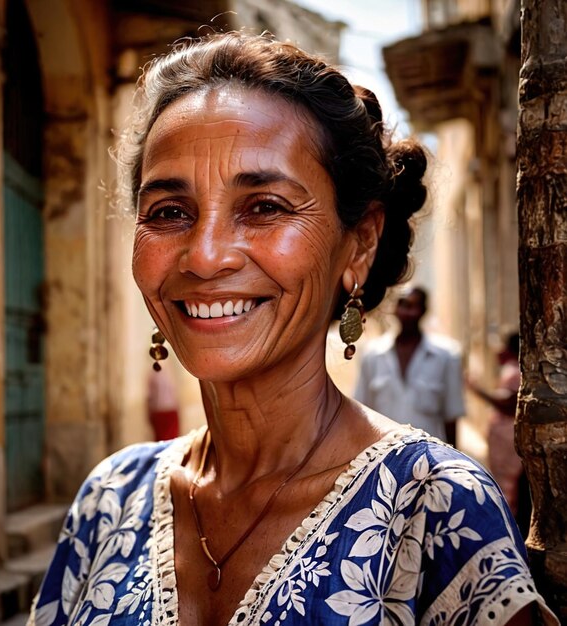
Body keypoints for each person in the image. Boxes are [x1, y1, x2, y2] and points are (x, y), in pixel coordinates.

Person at [28, 32, 557, 626]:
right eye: (169, 212)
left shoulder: (435, 510)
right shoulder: (109, 499)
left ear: (359, 245)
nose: (204, 257)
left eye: (265, 208)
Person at [354, 286, 464, 446]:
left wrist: (454, 461)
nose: (407, 312)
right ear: (395, 309)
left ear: (423, 311)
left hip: (430, 457)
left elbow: (451, 416)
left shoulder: (446, 356)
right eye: (403, 305)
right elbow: (362, 412)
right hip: (383, 456)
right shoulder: (373, 355)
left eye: (413, 306)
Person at [467, 333, 531, 536]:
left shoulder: (513, 371)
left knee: (508, 487)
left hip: (507, 442)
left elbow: (507, 403)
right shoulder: (513, 369)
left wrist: (476, 390)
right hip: (504, 440)